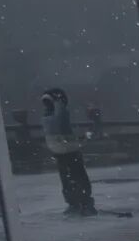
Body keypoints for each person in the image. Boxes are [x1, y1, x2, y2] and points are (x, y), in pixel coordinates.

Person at [41, 87, 97, 216]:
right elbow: (60, 121)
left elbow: (58, 123)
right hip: (67, 150)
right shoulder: (58, 113)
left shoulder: (51, 115)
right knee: (75, 176)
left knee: (69, 177)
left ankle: (78, 203)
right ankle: (81, 203)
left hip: (62, 150)